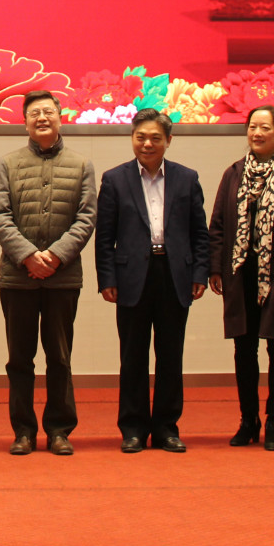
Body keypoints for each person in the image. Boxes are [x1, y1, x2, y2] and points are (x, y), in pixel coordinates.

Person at [94, 108, 208, 454]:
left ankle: (166, 429)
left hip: (175, 274)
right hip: (131, 277)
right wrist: (107, 278)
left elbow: (199, 233)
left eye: (155, 138)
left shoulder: (187, 178)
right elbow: (105, 237)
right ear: (132, 139)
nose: (147, 143)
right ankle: (133, 429)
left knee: (171, 356)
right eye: (140, 137)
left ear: (168, 141)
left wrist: (199, 273)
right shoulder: (115, 179)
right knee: (132, 357)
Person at [0, 90, 96, 456]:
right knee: (19, 359)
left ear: (60, 118)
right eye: (34, 113)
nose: (42, 118)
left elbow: (86, 218)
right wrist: (28, 257)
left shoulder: (81, 164)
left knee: (60, 357)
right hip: (17, 277)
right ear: (25, 123)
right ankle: (23, 431)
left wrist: (54, 256)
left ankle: (59, 430)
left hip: (62, 278)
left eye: (48, 111)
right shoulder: (8, 163)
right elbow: (0, 217)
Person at [207, 104, 274, 452]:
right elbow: (218, 226)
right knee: (244, 348)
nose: (257, 133)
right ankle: (248, 419)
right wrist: (215, 268)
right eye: (253, 126)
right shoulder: (234, 173)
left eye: (265, 127)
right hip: (240, 273)